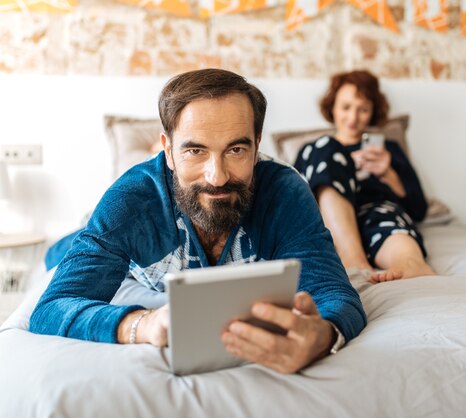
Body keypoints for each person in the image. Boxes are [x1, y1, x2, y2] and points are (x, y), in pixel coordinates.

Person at [30, 68, 366, 374]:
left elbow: (333, 291)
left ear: (257, 144)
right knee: (62, 255)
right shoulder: (130, 201)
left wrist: (322, 336)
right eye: (195, 151)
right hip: (116, 252)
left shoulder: (284, 191)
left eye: (236, 150)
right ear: (167, 150)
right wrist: (143, 325)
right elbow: (52, 307)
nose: (217, 177)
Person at [294, 70, 435, 284]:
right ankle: (355, 262)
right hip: (330, 218)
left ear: (372, 112)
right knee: (324, 147)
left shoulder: (389, 150)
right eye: (346, 107)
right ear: (332, 107)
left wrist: (388, 173)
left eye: (363, 110)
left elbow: (419, 210)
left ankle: (412, 264)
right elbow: (294, 201)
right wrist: (342, 163)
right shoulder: (314, 150)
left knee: (385, 215)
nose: (353, 118)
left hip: (375, 211)